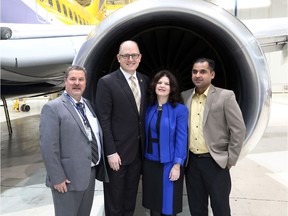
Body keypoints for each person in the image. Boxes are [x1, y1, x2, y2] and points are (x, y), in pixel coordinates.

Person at [39, 65, 108, 216]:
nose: (77, 83)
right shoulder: (53, 108)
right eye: (73, 79)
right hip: (66, 179)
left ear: (85, 83)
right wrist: (57, 178)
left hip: (88, 174)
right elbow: (48, 147)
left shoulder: (88, 105)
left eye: (81, 79)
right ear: (65, 81)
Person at [182, 57, 246, 216]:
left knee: (220, 208)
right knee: (196, 208)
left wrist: (230, 160)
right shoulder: (185, 96)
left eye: (203, 72)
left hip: (215, 162)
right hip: (192, 163)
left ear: (212, 74)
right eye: (195, 71)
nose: (198, 75)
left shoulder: (225, 96)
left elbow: (238, 129)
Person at [95, 40, 149, 216]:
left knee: (129, 201)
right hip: (117, 155)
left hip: (137, 155)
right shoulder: (107, 82)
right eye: (126, 55)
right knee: (114, 203)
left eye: (134, 55)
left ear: (140, 57)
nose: (130, 59)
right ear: (119, 58)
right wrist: (110, 152)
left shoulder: (144, 80)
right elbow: (104, 120)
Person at [142, 70, 188, 216]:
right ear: (154, 85)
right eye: (159, 82)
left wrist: (177, 165)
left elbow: (182, 138)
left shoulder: (180, 110)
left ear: (172, 88)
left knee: (168, 207)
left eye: (166, 83)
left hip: (169, 164)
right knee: (153, 205)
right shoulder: (148, 108)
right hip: (150, 163)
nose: (162, 85)